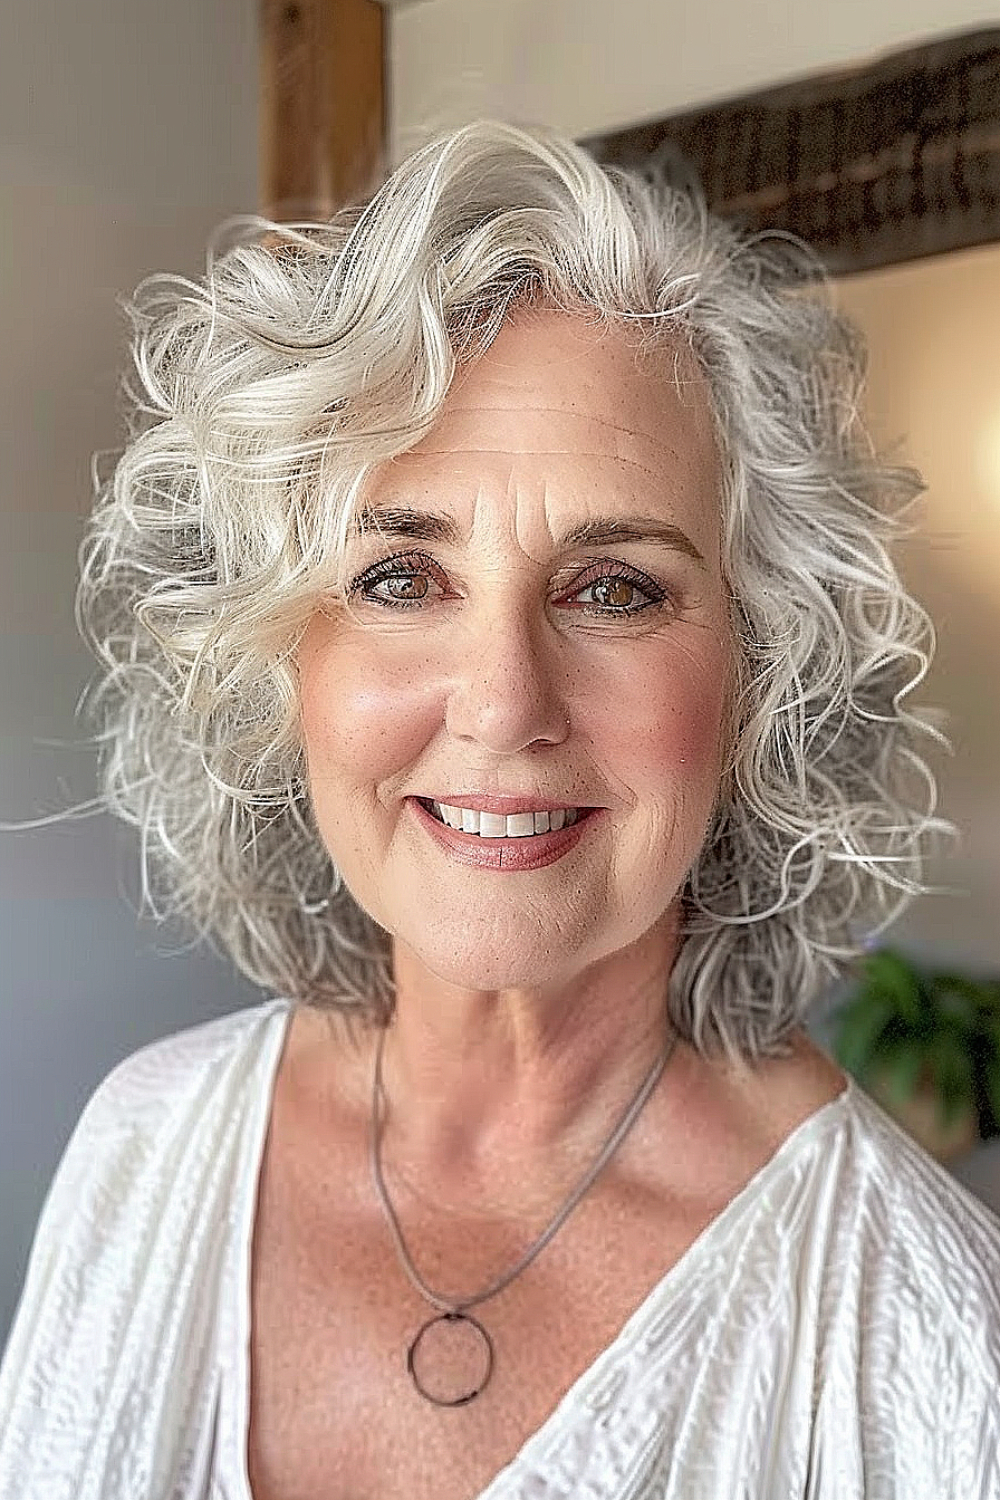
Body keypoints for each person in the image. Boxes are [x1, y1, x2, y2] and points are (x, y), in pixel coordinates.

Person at [0, 119, 998, 1500]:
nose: (501, 702)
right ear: (280, 657)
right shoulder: (143, 1144)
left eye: (615, 589)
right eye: (403, 579)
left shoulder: (923, 1334)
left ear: (762, 676)